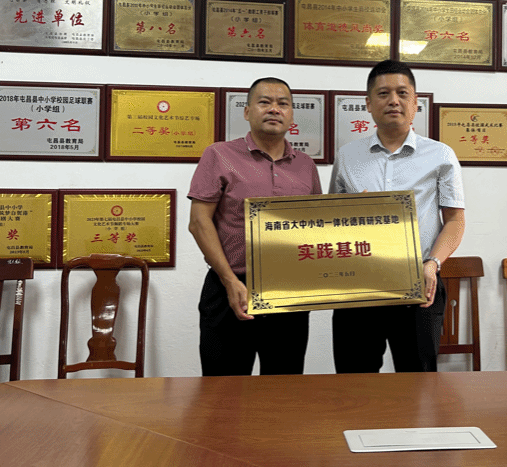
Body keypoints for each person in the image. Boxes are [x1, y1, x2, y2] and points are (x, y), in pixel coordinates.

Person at [329, 59, 465, 372]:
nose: (393, 101)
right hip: (358, 286)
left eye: (402, 93)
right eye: (383, 93)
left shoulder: (441, 155)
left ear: (416, 102)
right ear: (368, 104)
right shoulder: (347, 156)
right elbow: (333, 221)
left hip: (419, 283)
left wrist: (433, 264)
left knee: (418, 381)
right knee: (354, 382)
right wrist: (353, 214)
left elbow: (455, 221)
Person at [188, 77, 322, 376]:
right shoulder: (219, 155)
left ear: (291, 115)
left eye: (283, 103)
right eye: (264, 102)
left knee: (283, 387)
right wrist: (230, 281)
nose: (274, 109)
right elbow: (198, 222)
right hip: (230, 286)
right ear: (247, 111)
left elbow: (313, 227)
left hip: (289, 291)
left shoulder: (306, 165)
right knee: (224, 389)